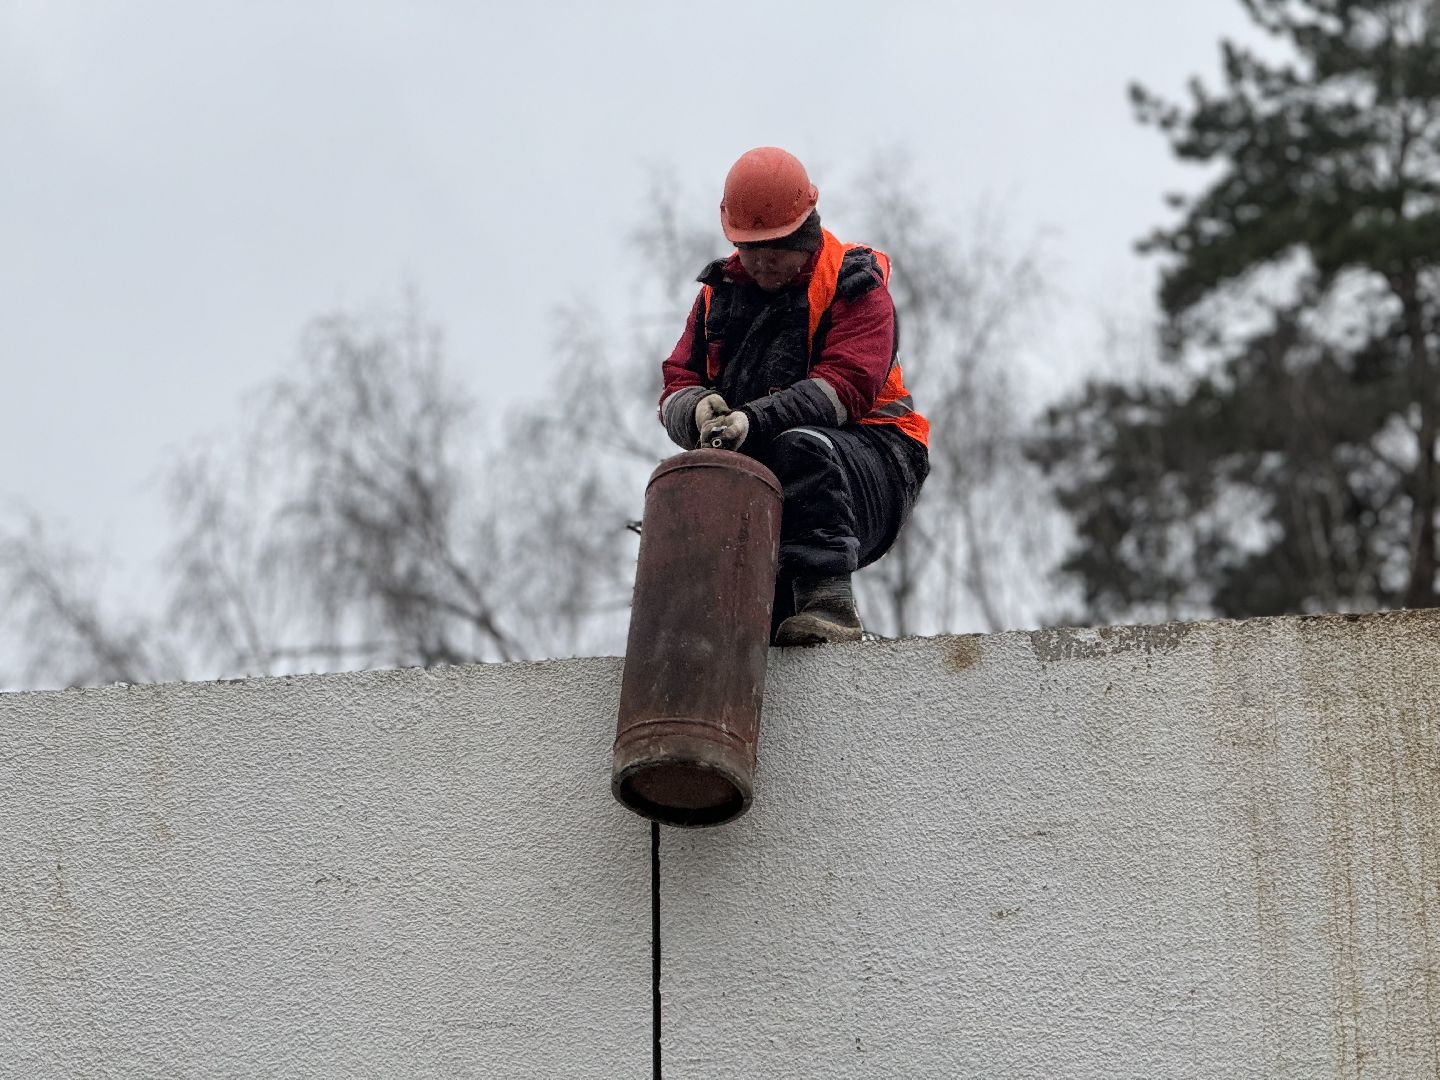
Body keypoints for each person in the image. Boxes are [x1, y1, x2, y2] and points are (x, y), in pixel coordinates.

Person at [658, 146, 929, 646]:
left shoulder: (853, 284)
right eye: (749, 248)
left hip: (877, 462)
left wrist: (753, 421)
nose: (760, 261)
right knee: (701, 487)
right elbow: (678, 379)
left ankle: (829, 605)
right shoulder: (720, 295)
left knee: (799, 447)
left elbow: (843, 389)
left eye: (774, 247)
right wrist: (696, 409)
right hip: (782, 480)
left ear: (802, 231)